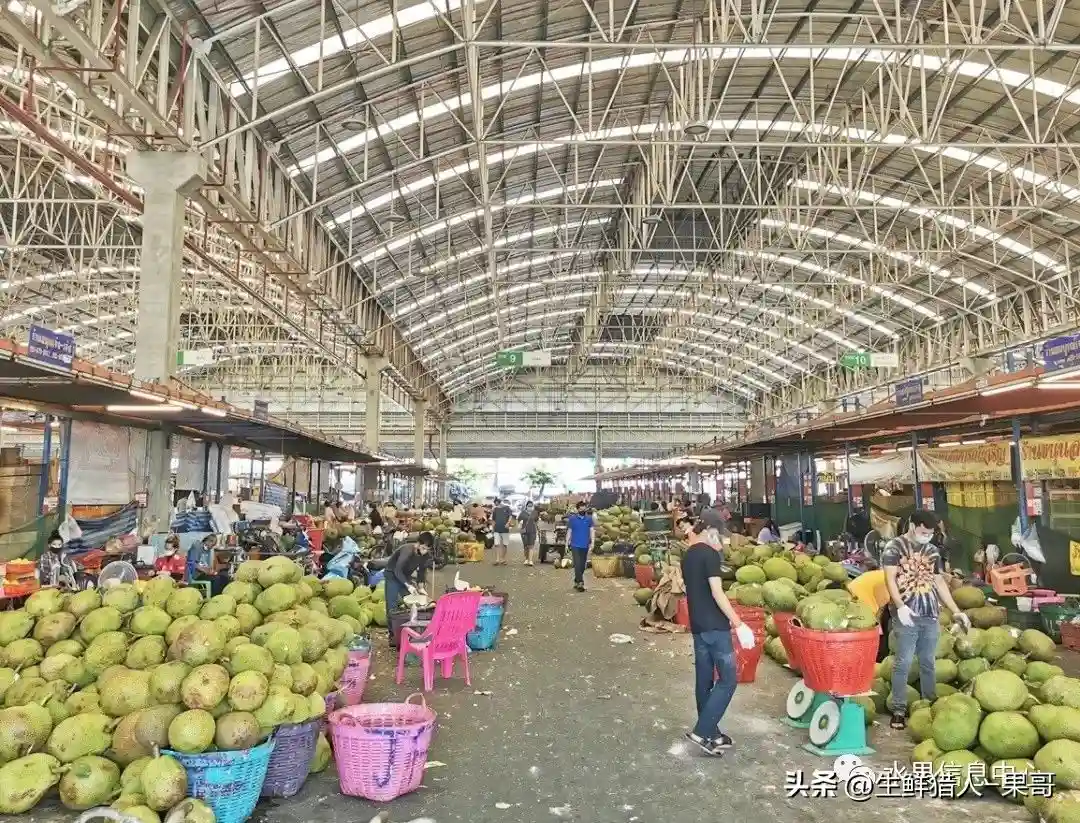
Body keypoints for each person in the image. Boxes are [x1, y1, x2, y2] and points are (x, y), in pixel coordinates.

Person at [883, 510, 969, 729]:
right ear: (912, 525)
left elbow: (939, 582)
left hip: (930, 614)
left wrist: (956, 610)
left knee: (928, 662)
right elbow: (889, 579)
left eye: (930, 533)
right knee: (903, 662)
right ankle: (899, 710)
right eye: (923, 532)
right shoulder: (894, 547)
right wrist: (900, 606)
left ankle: (929, 704)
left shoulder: (932, 551)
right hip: (906, 614)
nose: (927, 536)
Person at [681, 511, 756, 755]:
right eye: (718, 534)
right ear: (709, 530)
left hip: (698, 626)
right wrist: (738, 623)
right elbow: (716, 592)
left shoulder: (688, 555)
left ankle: (712, 733)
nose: (720, 540)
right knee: (728, 680)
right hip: (715, 626)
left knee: (704, 681)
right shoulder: (710, 555)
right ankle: (702, 731)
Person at [383, 532, 434, 634]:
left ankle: (410, 629)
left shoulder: (425, 555)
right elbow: (397, 570)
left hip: (405, 576)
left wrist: (421, 587)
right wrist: (408, 585)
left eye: (427, 549)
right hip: (392, 575)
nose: (424, 551)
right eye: (423, 548)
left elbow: (422, 571)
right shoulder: (407, 550)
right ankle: (392, 633)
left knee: (413, 603)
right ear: (418, 544)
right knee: (392, 606)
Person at [848, 568, 891, 662]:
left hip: (854, 595)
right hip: (862, 602)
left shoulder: (886, 575)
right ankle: (876, 658)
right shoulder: (888, 580)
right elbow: (882, 607)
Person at [565, 501, 594, 592]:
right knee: (577, 564)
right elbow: (569, 531)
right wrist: (566, 544)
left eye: (584, 509)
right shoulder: (572, 519)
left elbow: (592, 531)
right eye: (581, 509)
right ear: (577, 510)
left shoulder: (589, 519)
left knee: (582, 566)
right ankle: (580, 582)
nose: (582, 511)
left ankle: (576, 580)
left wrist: (593, 542)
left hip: (585, 545)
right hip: (575, 545)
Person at [491, 497, 513, 566]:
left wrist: (508, 523)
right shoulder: (495, 509)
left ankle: (503, 559)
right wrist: (492, 528)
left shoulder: (507, 508)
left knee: (505, 544)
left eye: (496, 503)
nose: (495, 505)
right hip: (497, 529)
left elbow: (510, 516)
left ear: (498, 502)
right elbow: (493, 519)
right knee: (496, 544)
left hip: (505, 529)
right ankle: (497, 559)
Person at [519, 501, 539, 566]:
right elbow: (519, 520)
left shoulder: (535, 513)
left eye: (531, 506)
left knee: (531, 546)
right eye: (529, 506)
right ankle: (526, 559)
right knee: (526, 546)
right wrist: (520, 526)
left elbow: (536, 521)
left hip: (532, 531)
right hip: (524, 531)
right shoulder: (523, 513)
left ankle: (530, 560)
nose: (530, 507)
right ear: (526, 506)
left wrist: (536, 528)